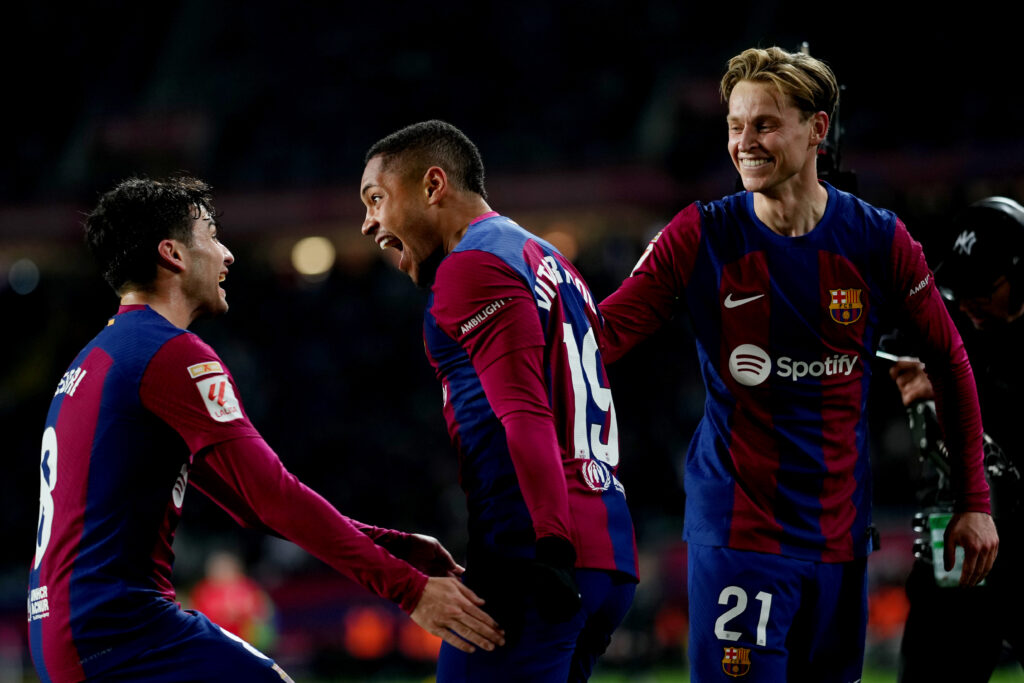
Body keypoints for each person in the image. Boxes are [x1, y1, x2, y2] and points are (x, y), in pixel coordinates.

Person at [597, 46, 999, 682]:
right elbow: (603, 334)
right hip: (740, 534)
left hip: (841, 540)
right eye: (735, 125)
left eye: (763, 124)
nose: (744, 143)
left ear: (817, 129)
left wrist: (975, 502)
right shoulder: (700, 235)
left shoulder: (877, 238)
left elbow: (949, 360)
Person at [27, 176, 504, 683]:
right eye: (210, 235)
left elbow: (250, 504)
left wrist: (394, 546)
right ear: (173, 254)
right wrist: (408, 589)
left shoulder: (96, 359)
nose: (227, 254)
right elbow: (274, 496)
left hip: (67, 631)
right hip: (121, 631)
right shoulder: (169, 355)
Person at [359, 120, 638, 682]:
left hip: (535, 554)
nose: (369, 223)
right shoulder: (544, 257)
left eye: (377, 198)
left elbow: (524, 412)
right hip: (606, 547)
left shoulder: (472, 265)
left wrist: (551, 548)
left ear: (433, 186)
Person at [889, 196, 1024, 682]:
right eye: (960, 291)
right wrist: (910, 379)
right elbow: (888, 345)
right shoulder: (944, 322)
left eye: (984, 288)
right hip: (959, 538)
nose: (968, 303)